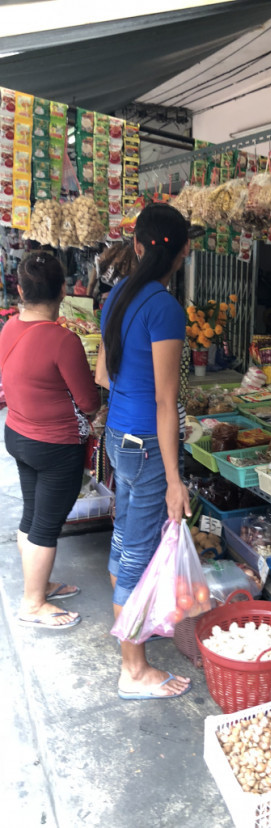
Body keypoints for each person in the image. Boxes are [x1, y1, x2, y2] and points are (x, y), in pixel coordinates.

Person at [95, 202, 192, 701]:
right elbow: (165, 401)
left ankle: (131, 637)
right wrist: (176, 480)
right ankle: (133, 668)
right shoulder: (164, 308)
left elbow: (101, 377)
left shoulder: (116, 297)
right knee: (137, 552)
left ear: (135, 246)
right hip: (149, 447)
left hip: (118, 436)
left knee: (126, 542)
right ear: (182, 254)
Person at [0, 252, 100, 629]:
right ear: (62, 289)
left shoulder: (8, 329)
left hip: (19, 435)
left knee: (33, 515)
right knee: (47, 524)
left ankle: (37, 585)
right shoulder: (63, 341)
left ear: (21, 290)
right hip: (55, 446)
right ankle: (33, 603)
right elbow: (88, 402)